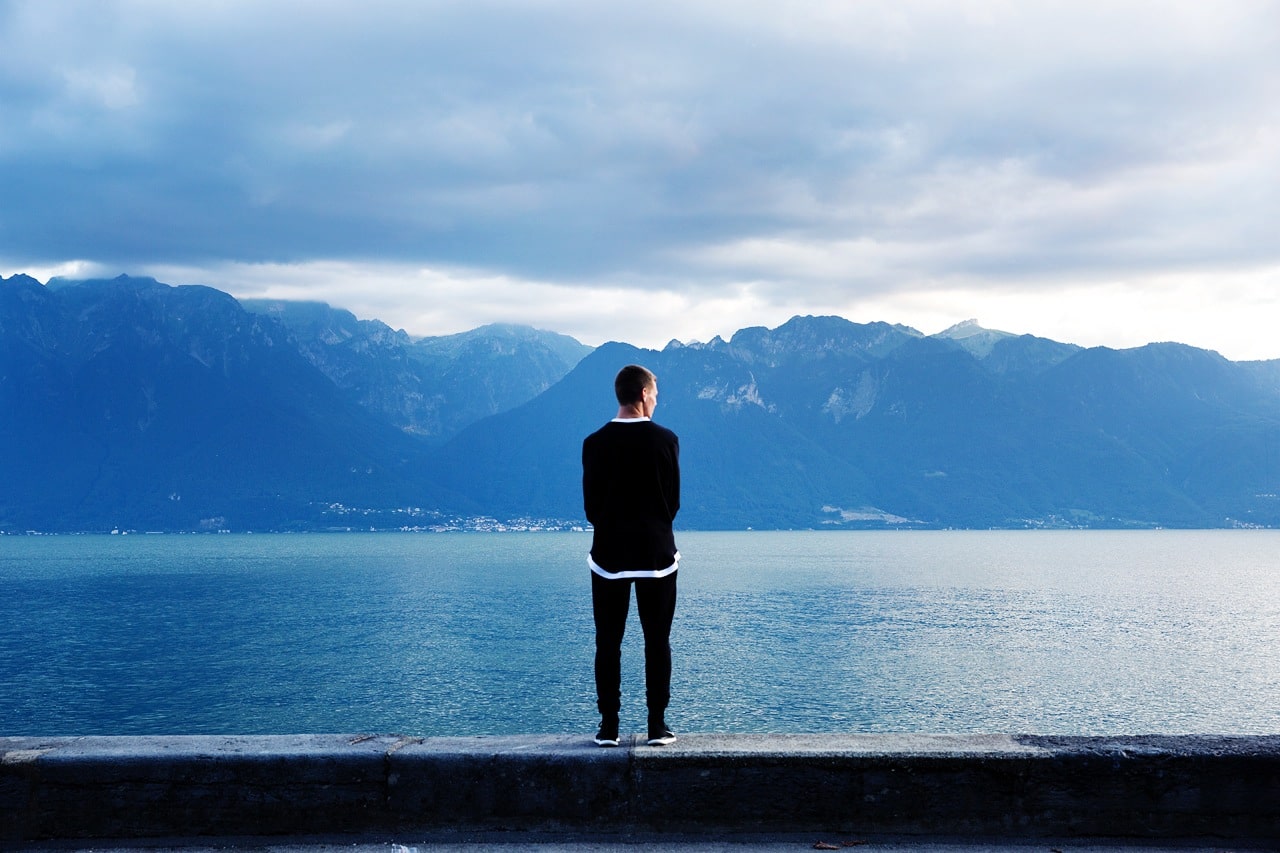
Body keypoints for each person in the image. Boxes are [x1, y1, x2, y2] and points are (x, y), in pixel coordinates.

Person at [582, 364, 681, 747]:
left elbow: (591, 506)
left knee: (608, 642)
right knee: (657, 640)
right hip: (657, 555)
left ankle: (609, 727)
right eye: (654, 393)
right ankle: (657, 725)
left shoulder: (594, 443)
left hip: (608, 555)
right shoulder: (666, 440)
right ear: (642, 394)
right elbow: (672, 502)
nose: (656, 399)